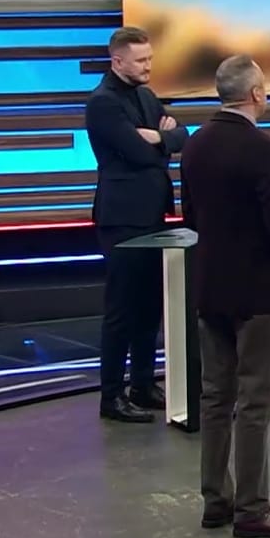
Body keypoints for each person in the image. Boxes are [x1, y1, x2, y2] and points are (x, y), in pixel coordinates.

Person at [180, 55, 270, 538]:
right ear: (256, 93)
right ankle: (253, 509)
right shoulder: (263, 148)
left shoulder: (194, 145)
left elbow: (191, 216)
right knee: (255, 400)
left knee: (216, 397)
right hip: (259, 292)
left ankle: (216, 501)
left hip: (211, 287)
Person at [85, 26, 187, 423]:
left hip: (153, 215)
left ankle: (143, 385)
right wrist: (161, 141)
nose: (148, 66)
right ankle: (111, 396)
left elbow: (182, 136)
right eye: (141, 60)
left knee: (149, 306)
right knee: (122, 309)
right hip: (122, 220)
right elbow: (138, 154)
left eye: (150, 59)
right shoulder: (102, 103)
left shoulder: (146, 95)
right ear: (117, 61)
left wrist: (159, 139)